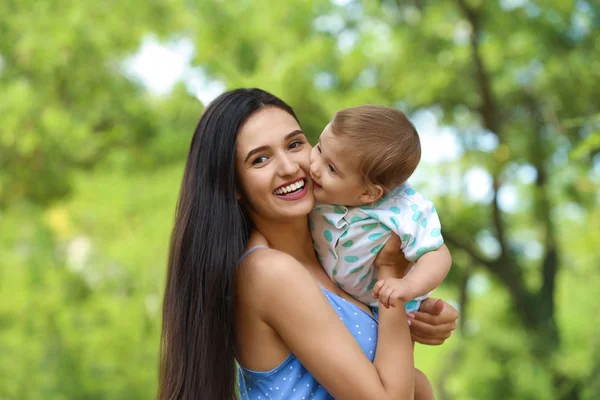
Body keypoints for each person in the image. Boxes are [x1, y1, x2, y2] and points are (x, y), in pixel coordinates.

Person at [158, 88, 459, 400]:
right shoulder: (269, 271)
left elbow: (406, 384)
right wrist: (391, 279)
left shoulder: (337, 258)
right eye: (260, 159)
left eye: (295, 144)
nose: (289, 167)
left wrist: (418, 312)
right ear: (233, 185)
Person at [308, 105, 453, 399]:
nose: (315, 166)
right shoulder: (316, 189)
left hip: (385, 302)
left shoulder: (403, 209)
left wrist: (406, 286)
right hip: (345, 300)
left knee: (402, 380)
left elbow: (438, 254)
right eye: (319, 148)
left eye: (331, 168)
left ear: (369, 194)